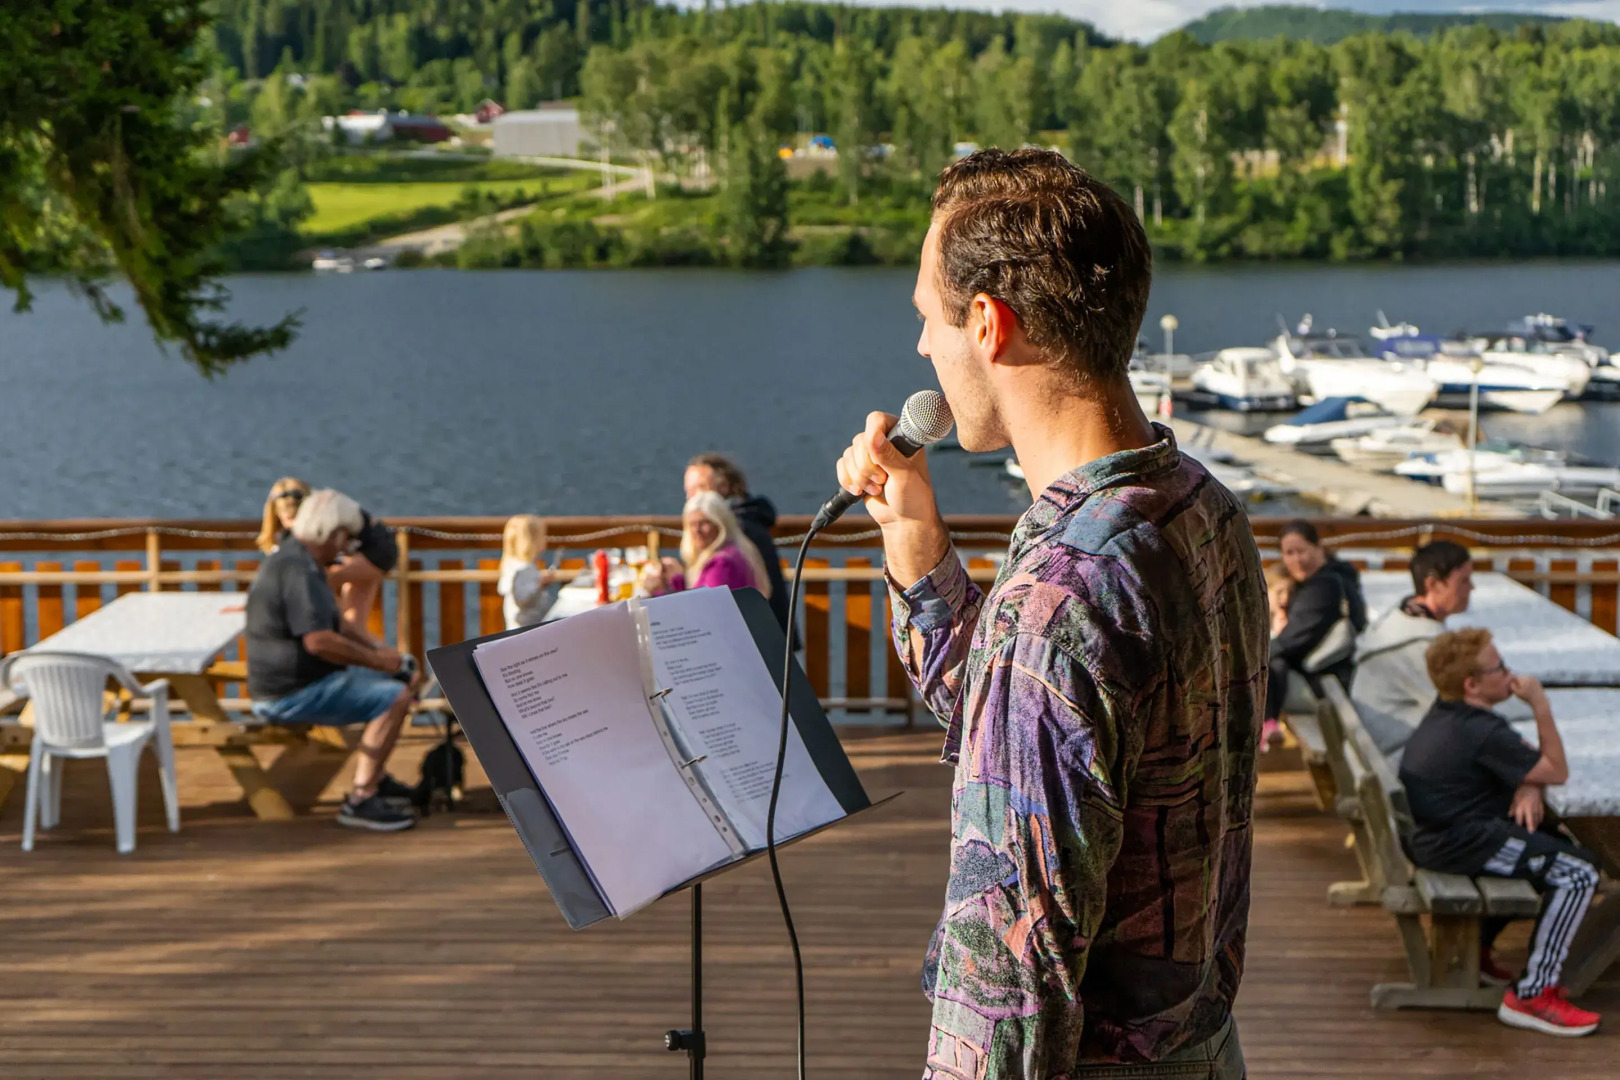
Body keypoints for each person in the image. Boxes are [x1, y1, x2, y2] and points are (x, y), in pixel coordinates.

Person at [832, 149, 1266, 1077]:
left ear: (987, 324)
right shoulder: (1203, 510)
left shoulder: (1058, 602)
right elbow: (1032, 738)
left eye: (927, 319)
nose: (921, 350)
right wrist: (920, 555)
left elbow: (1007, 988)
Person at [1400, 629, 1600, 1037]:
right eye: (1500, 667)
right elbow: (1556, 768)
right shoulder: (1482, 730)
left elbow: (1527, 762)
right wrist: (1540, 703)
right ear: (1473, 685)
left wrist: (1529, 782)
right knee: (1578, 872)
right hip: (1457, 843)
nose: (1510, 673)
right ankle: (1532, 994)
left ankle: (1482, 948)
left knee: (1556, 847)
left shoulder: (1453, 714)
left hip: (1439, 836)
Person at [245, 489, 421, 832]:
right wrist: (379, 662)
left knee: (399, 681)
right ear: (330, 533)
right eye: (345, 538)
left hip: (299, 679)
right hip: (289, 693)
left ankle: (376, 776)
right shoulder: (299, 571)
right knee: (395, 698)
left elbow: (336, 622)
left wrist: (384, 652)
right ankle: (362, 797)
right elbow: (319, 641)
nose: (346, 548)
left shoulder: (298, 560)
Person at [1354, 540, 1474, 763]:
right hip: (1392, 758)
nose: (1472, 588)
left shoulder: (1399, 620)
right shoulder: (1418, 647)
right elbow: (1461, 706)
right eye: (1464, 581)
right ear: (1433, 585)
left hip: (1378, 750)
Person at [255, 477, 396, 632]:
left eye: (296, 519)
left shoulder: (326, 514)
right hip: (369, 548)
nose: (293, 526)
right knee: (355, 623)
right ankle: (364, 650)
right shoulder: (321, 509)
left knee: (312, 583)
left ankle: (325, 637)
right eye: (287, 520)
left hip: (375, 551)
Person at [684, 452, 796, 642]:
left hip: (757, 641)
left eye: (700, 488)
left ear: (724, 487)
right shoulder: (752, 518)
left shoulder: (736, 534)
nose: (692, 498)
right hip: (770, 637)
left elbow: (711, 611)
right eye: (688, 491)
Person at [1265, 519, 1367, 725]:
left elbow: (1290, 641)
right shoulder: (1339, 577)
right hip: (1338, 678)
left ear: (1318, 547)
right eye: (1289, 553)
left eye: (1301, 551)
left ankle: (1264, 730)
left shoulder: (1323, 587)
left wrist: (1245, 661)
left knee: (1266, 668)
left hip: (1326, 684)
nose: (1297, 560)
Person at [640, 491, 773, 597]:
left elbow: (705, 612)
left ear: (720, 525)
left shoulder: (721, 564)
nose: (697, 530)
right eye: (692, 524)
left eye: (704, 523)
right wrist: (676, 581)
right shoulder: (737, 550)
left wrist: (662, 590)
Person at [497, 514, 558, 630]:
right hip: (525, 630)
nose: (545, 539)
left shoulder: (513, 565)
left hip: (527, 628)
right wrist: (539, 583)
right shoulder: (522, 569)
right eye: (542, 536)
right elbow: (521, 598)